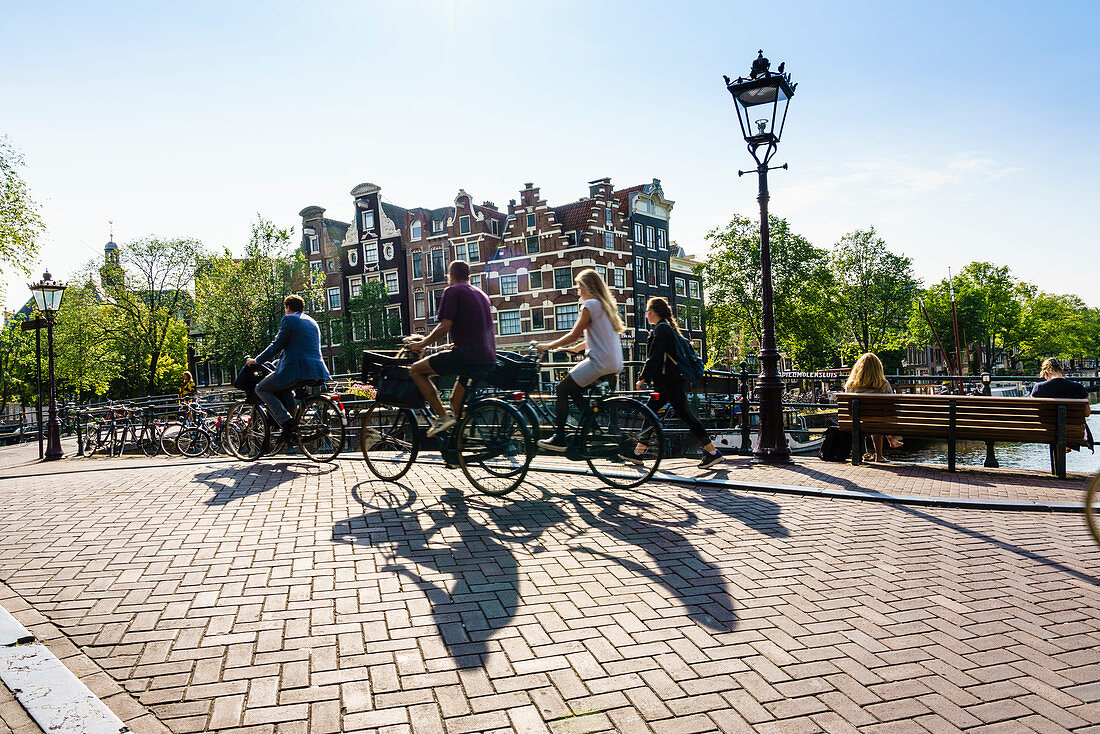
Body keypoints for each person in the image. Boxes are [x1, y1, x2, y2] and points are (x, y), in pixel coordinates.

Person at [535, 269, 624, 452]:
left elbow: (573, 335)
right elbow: (600, 335)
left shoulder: (590, 305)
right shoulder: (607, 305)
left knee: (562, 388)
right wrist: (576, 349)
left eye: (579, 287)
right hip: (614, 363)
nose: (578, 292)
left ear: (587, 287)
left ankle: (559, 437)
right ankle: (590, 426)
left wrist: (546, 346)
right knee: (574, 388)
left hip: (599, 363)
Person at [633, 297, 723, 469]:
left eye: (647, 311)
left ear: (652, 312)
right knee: (655, 412)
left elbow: (654, 357)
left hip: (669, 382)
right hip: (668, 382)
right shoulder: (667, 328)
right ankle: (638, 452)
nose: (646, 315)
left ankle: (712, 452)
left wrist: (642, 377)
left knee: (677, 414)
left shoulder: (661, 330)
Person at [409, 260, 496, 437]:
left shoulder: (452, 291)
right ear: (469, 276)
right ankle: (457, 447)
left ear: (451, 276)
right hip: (487, 357)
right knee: (455, 402)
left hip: (467, 356)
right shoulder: (481, 294)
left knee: (416, 371)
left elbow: (444, 326)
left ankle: (441, 416)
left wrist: (422, 343)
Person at [246, 294, 331, 438]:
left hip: (296, 370)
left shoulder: (288, 319)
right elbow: (299, 347)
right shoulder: (312, 321)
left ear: (288, 308)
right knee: (286, 390)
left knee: (260, 388)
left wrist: (256, 360)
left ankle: (287, 422)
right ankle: (292, 428)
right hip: (317, 370)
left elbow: (276, 346)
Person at [844, 352, 892, 462]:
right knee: (877, 419)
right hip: (877, 422)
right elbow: (891, 407)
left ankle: (858, 455)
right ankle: (879, 455)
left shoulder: (850, 385)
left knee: (867, 419)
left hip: (856, 421)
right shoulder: (884, 385)